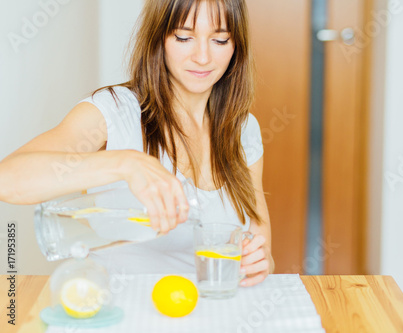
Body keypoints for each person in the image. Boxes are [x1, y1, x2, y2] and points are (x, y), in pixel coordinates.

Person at [0, 0, 274, 287]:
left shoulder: (244, 130)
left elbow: (261, 243)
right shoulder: (114, 112)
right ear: (160, 38)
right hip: (120, 314)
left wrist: (260, 259)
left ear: (236, 46)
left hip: (213, 314)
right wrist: (125, 163)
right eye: (184, 37)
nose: (202, 56)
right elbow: (8, 180)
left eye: (219, 40)